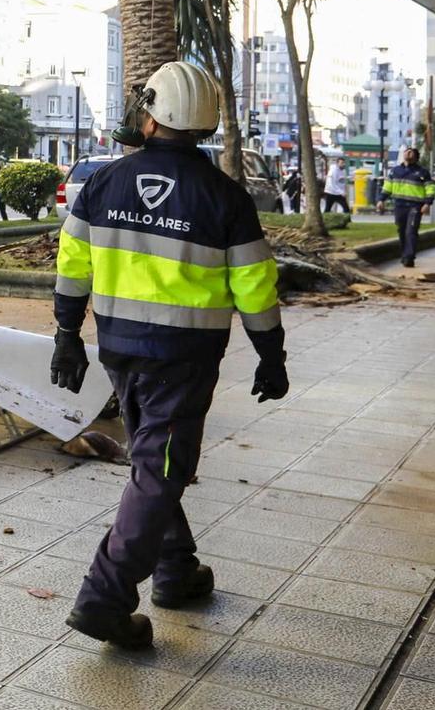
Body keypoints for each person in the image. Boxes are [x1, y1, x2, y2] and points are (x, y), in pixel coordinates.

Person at [50, 60, 286, 651]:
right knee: (161, 469)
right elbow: (254, 286)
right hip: (184, 358)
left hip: (120, 350)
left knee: (154, 462)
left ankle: (176, 569)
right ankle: (104, 600)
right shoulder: (225, 198)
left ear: (151, 116)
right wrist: (270, 354)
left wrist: (65, 336)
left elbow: (72, 265)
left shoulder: (103, 183)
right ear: (203, 124)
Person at [385, 146, 435, 265]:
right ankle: (404, 254)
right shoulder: (395, 171)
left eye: (411, 152)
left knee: (411, 231)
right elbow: (387, 186)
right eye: (406, 151)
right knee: (401, 230)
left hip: (415, 206)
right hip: (399, 206)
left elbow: (430, 188)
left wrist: (428, 203)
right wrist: (381, 200)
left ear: (416, 157)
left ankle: (409, 257)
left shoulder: (422, 172)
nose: (408, 153)